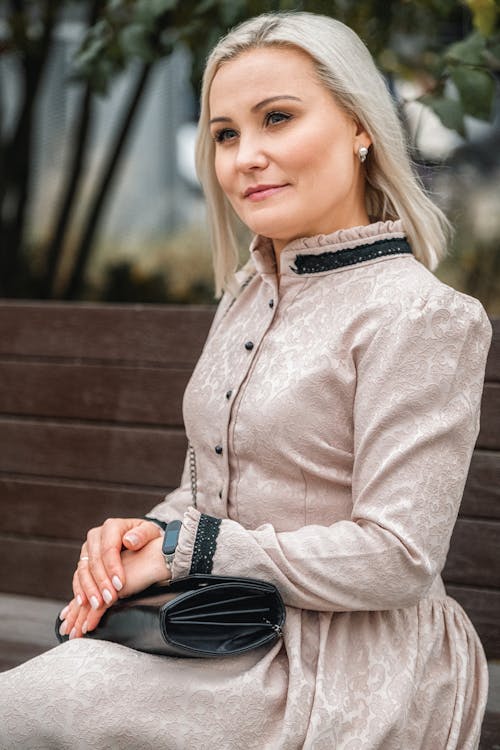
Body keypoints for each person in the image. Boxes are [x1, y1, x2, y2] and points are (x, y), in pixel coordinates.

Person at [0, 11, 492, 750]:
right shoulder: (249, 292)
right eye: (226, 134)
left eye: (278, 118)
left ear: (361, 128)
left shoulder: (421, 315)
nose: (246, 156)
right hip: (217, 623)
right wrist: (143, 536)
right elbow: (206, 491)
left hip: (345, 662)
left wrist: (191, 551)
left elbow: (399, 559)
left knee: (35, 708)